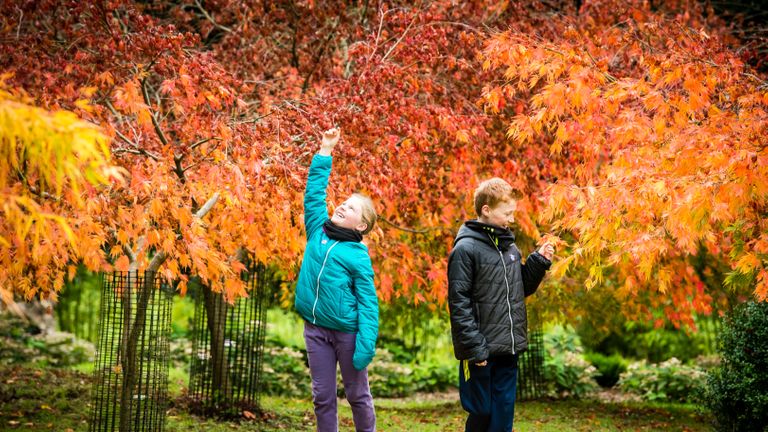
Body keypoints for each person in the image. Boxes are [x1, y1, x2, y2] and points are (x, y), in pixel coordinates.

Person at [448, 178, 555, 432]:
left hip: (508, 348)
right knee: (482, 412)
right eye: (507, 213)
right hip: (481, 351)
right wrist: (475, 349)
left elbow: (520, 289)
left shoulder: (509, 248)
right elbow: (458, 303)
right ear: (487, 210)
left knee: (503, 415)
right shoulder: (465, 249)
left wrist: (538, 263)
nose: (512, 219)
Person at [294, 127, 379, 432]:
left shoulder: (357, 255)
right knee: (322, 397)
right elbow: (314, 193)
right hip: (316, 330)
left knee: (357, 395)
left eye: (351, 207)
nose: (342, 205)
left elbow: (369, 304)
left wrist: (366, 345)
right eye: (343, 202)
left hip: (348, 334)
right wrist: (325, 150)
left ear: (362, 224)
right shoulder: (317, 228)